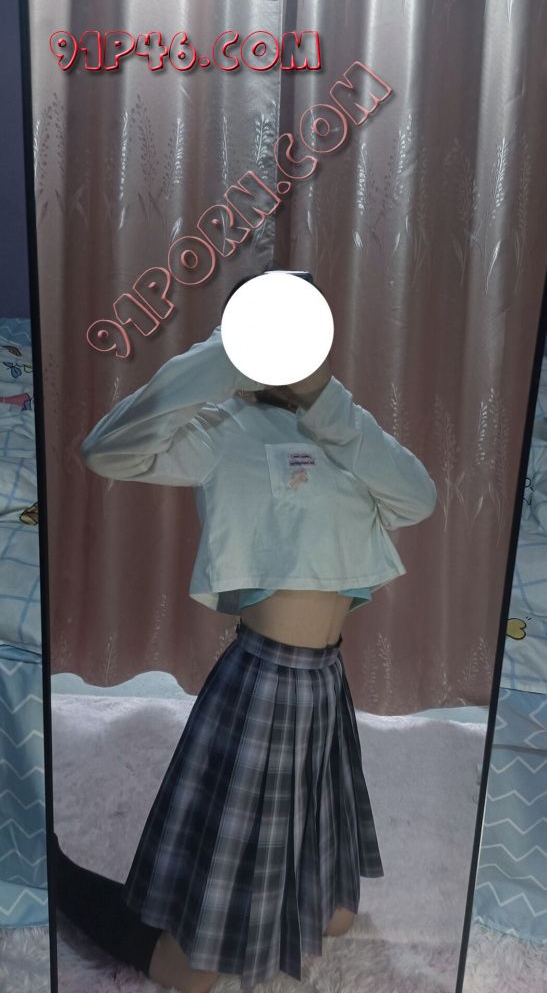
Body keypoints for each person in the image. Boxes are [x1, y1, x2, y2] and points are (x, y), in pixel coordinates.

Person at [53, 268, 437, 992]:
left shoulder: (342, 427)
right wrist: (223, 358)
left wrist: (323, 398)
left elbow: (417, 499)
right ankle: (59, 877)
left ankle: (275, 891)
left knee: (335, 918)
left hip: (325, 682)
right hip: (264, 683)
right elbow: (107, 450)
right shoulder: (220, 429)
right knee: (190, 973)